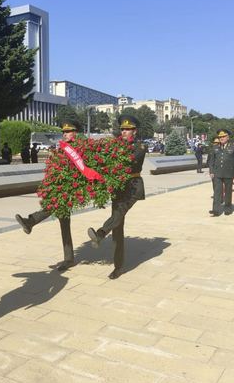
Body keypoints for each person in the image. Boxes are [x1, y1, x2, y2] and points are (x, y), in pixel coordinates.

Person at [15, 120, 81, 272]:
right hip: (59, 187)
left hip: (70, 189)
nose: (65, 134)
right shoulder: (62, 149)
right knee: (64, 222)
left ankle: (30, 221)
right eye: (64, 132)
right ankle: (69, 258)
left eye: (68, 132)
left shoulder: (79, 149)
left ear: (74, 133)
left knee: (54, 208)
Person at [87, 114, 146, 279]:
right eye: (123, 129)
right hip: (118, 187)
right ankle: (118, 266)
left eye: (128, 129)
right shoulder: (114, 145)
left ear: (135, 131)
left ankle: (100, 233)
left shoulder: (140, 147)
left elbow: (129, 162)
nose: (125, 132)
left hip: (133, 187)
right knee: (118, 227)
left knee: (118, 214)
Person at [208, 129, 234, 216]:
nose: (221, 138)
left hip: (229, 173)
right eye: (220, 137)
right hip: (217, 173)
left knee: (228, 192)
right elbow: (212, 161)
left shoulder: (233, 147)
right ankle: (216, 210)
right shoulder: (215, 148)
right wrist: (211, 171)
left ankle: (228, 208)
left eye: (223, 136)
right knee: (217, 192)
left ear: (228, 137)